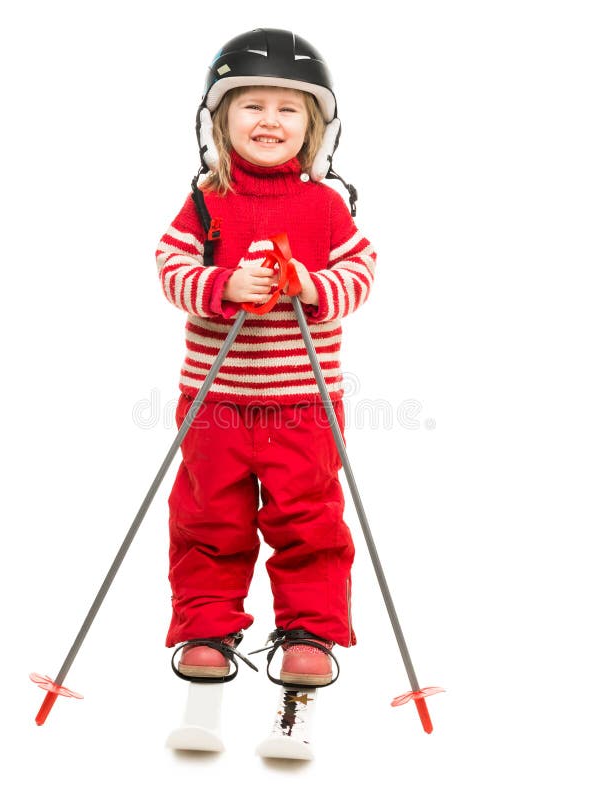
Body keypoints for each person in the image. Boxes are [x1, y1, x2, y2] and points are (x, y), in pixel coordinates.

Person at [155, 28, 376, 687]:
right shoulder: (205, 202)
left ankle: (309, 630)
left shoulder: (326, 205)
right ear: (219, 120)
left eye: (288, 108)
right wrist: (221, 284)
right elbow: (170, 267)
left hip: (303, 405)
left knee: (308, 518)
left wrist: (310, 284)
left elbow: (360, 274)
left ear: (312, 126)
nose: (269, 121)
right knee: (206, 516)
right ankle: (207, 627)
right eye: (252, 106)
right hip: (215, 403)